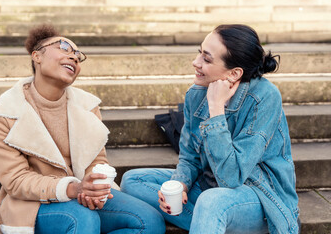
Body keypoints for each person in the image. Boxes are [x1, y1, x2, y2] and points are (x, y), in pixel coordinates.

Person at [0, 24, 165, 234]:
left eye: (78, 55)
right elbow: (16, 180)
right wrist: (71, 188)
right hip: (33, 203)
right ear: (37, 56)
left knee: (149, 221)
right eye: (64, 47)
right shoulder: (3, 111)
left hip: (81, 193)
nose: (74, 57)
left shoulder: (88, 106)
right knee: (83, 219)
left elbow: (97, 161)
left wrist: (94, 188)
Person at [121, 24, 300, 234]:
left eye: (206, 59)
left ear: (234, 73)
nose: (195, 62)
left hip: (260, 198)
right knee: (133, 180)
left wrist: (216, 108)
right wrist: (181, 184)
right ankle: (212, 224)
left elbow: (231, 177)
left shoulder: (263, 97)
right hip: (209, 190)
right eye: (199, 52)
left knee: (211, 202)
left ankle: (211, 221)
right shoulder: (195, 94)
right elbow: (189, 157)